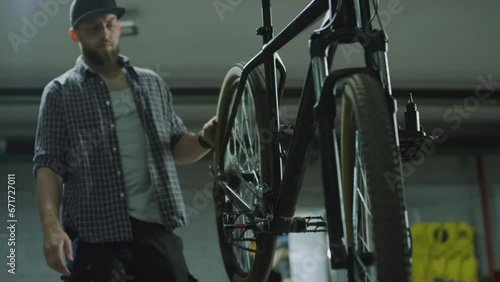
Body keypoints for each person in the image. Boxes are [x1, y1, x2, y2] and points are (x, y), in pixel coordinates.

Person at [33, 0, 215, 281]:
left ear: (118, 27)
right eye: (93, 28)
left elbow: (177, 147)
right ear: (75, 35)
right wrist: (50, 226)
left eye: (109, 24)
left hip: (155, 227)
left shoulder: (151, 83)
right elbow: (48, 165)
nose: (104, 33)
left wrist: (204, 139)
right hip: (95, 233)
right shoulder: (60, 92)